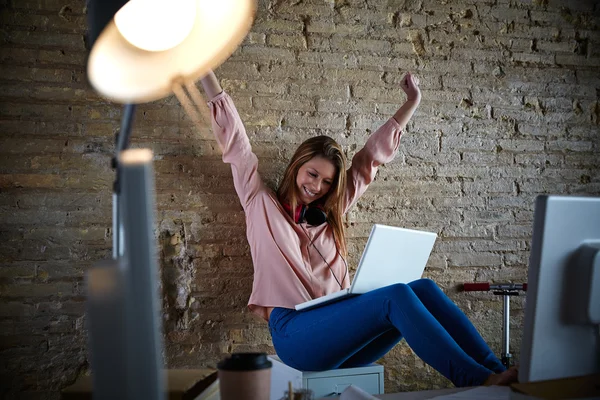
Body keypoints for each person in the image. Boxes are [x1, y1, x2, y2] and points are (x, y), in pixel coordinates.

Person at [199, 70, 518, 387]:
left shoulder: (330, 211)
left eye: (326, 182)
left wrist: (411, 103)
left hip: (341, 335)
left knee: (423, 288)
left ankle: (495, 370)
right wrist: (206, 74)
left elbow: (369, 162)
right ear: (297, 166)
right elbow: (237, 146)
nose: (317, 186)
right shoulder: (259, 201)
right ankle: (475, 379)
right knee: (395, 296)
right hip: (296, 336)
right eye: (312, 174)